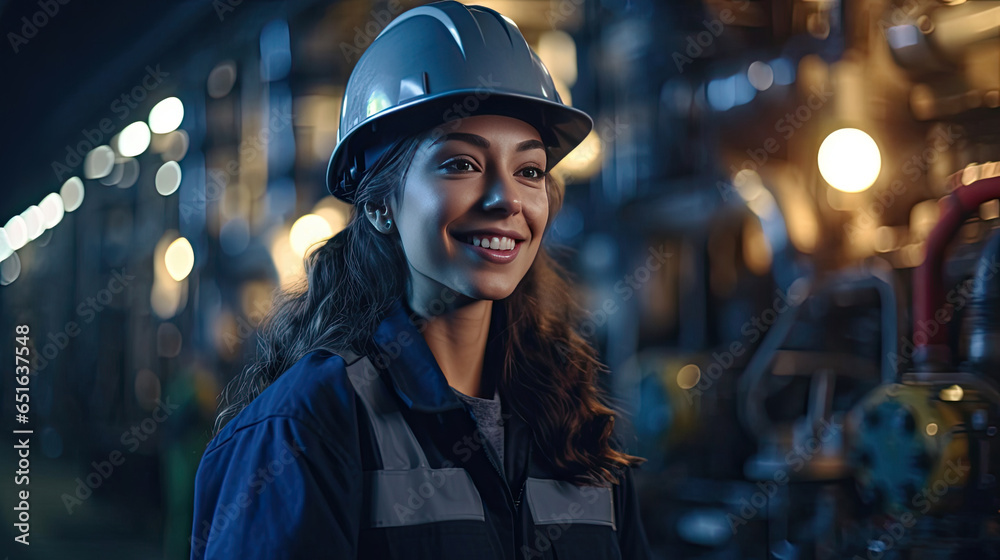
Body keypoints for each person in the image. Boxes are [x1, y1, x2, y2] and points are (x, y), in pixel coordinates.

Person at [190, 2, 652, 558]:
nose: (506, 199)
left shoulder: (571, 425)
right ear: (381, 204)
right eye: (461, 163)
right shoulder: (308, 427)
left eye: (529, 170)